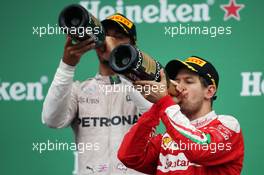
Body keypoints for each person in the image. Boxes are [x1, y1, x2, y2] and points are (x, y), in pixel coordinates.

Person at [42, 13, 151, 175]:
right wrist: (67, 66)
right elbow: (52, 120)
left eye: (118, 37)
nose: (109, 41)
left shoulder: (145, 86)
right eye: (104, 35)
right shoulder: (79, 90)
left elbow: (152, 114)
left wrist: (123, 60)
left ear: (133, 46)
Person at [118, 56, 244, 175]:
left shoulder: (229, 126)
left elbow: (199, 149)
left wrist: (164, 102)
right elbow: (129, 156)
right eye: (176, 82)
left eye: (188, 82)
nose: (179, 87)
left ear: (209, 91)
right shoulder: (168, 138)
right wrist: (156, 107)